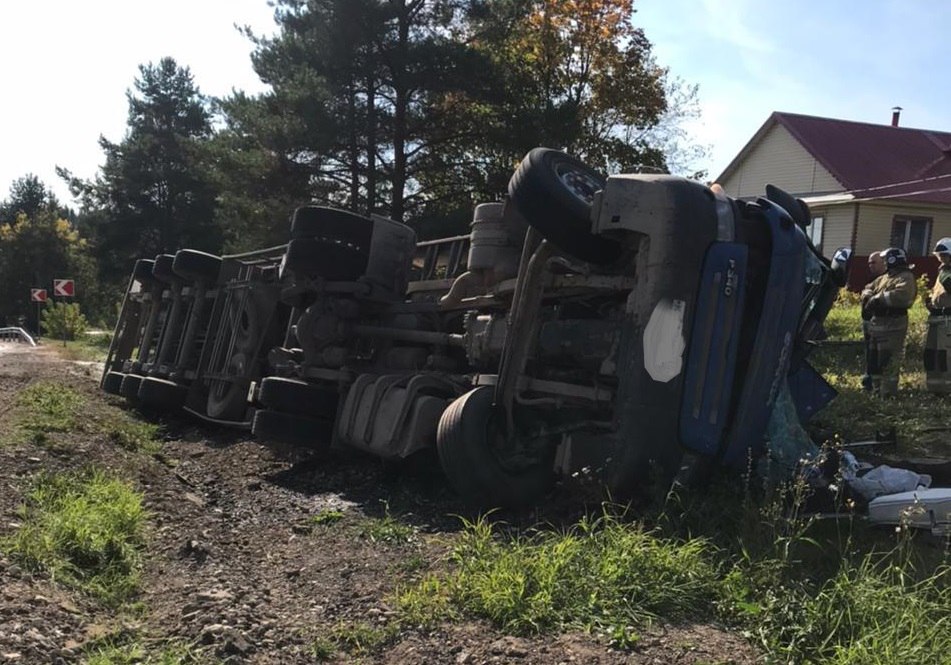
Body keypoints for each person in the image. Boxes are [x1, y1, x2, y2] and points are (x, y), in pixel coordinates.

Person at [860, 247, 917, 396]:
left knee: (888, 359)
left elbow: (903, 296)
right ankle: (876, 390)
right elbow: (868, 288)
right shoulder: (885, 277)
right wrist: (868, 295)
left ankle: (888, 393)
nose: (884, 262)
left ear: (893, 259)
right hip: (877, 324)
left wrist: (878, 299)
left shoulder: (906, 277)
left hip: (893, 325)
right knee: (875, 359)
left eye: (886, 259)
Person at [923, 238, 951, 392]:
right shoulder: (943, 271)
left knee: (944, 355)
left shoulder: (946, 273)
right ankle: (934, 387)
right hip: (937, 318)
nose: (941, 258)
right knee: (931, 354)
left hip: (948, 321)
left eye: (944, 255)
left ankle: (946, 388)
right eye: (939, 255)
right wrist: (932, 303)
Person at [859, 251, 886, 390]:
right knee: (869, 352)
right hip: (867, 320)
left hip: (879, 322)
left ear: (883, 263)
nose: (870, 265)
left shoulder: (888, 279)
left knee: (877, 353)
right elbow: (865, 291)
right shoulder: (872, 278)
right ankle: (868, 377)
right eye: (869, 263)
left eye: (874, 262)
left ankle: (875, 382)